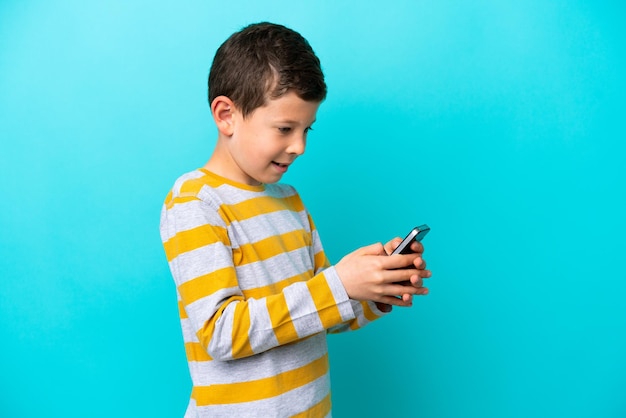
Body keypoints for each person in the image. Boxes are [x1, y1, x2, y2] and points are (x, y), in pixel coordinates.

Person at [159, 22, 432, 417]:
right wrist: (339, 284)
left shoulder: (290, 201)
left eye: (307, 129)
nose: (299, 146)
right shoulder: (195, 203)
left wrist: (373, 288)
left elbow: (319, 313)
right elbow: (221, 332)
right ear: (226, 115)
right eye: (285, 128)